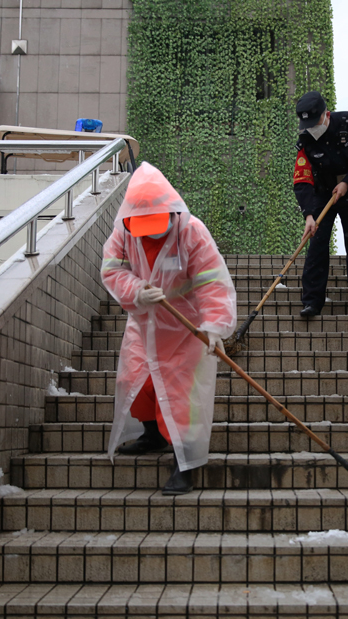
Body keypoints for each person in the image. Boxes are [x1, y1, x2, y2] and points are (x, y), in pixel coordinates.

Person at [101, 162, 237, 495]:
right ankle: (153, 435)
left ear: (171, 212)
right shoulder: (124, 233)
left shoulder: (192, 232)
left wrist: (214, 327)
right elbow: (111, 269)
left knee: (180, 396)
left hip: (185, 328)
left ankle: (185, 461)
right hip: (145, 324)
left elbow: (212, 282)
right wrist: (136, 290)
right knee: (135, 381)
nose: (150, 232)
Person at [293, 90, 348, 318]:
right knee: (317, 245)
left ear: (325, 114)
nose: (311, 128)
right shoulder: (305, 141)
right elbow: (302, 181)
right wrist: (309, 215)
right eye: (307, 124)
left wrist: (347, 182)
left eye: (315, 122)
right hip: (322, 195)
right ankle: (312, 302)